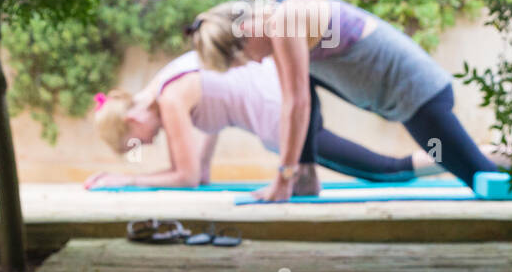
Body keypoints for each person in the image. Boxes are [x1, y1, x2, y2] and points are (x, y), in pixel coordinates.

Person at [187, 0, 500, 201]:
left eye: (243, 57)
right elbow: (298, 94)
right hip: (406, 101)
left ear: (243, 31)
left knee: (485, 181)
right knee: (475, 168)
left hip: (420, 95)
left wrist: (283, 178)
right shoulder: (284, 12)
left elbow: (296, 105)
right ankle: (306, 176)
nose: (255, 62)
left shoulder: (284, 21)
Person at [86, 50, 442, 191]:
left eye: (134, 141)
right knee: (315, 182)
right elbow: (218, 111)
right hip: (286, 94)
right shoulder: (168, 80)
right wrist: (205, 164)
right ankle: (471, 156)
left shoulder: (170, 98)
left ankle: (477, 157)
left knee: (385, 170)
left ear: (133, 119)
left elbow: (186, 177)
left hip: (285, 118)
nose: (145, 144)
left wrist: (126, 180)